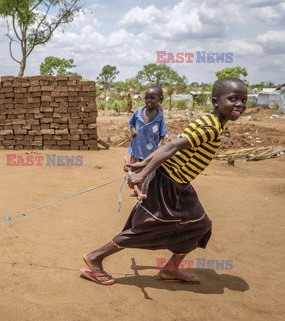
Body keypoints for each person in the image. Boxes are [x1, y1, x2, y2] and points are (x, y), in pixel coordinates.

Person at [80, 77, 247, 285]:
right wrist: (142, 174)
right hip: (167, 183)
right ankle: (96, 257)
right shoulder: (210, 127)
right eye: (233, 99)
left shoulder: (209, 122)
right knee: (144, 228)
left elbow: (169, 147)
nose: (239, 104)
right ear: (215, 102)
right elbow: (171, 147)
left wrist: (143, 165)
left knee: (200, 225)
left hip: (181, 185)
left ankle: (170, 270)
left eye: (243, 100)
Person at [128, 86, 167, 165]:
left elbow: (162, 135)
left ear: (160, 100)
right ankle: (130, 176)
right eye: (146, 98)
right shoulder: (138, 112)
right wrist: (133, 130)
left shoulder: (160, 118)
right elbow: (131, 124)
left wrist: (159, 146)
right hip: (136, 149)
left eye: (152, 98)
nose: (148, 100)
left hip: (151, 152)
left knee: (147, 172)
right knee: (133, 168)